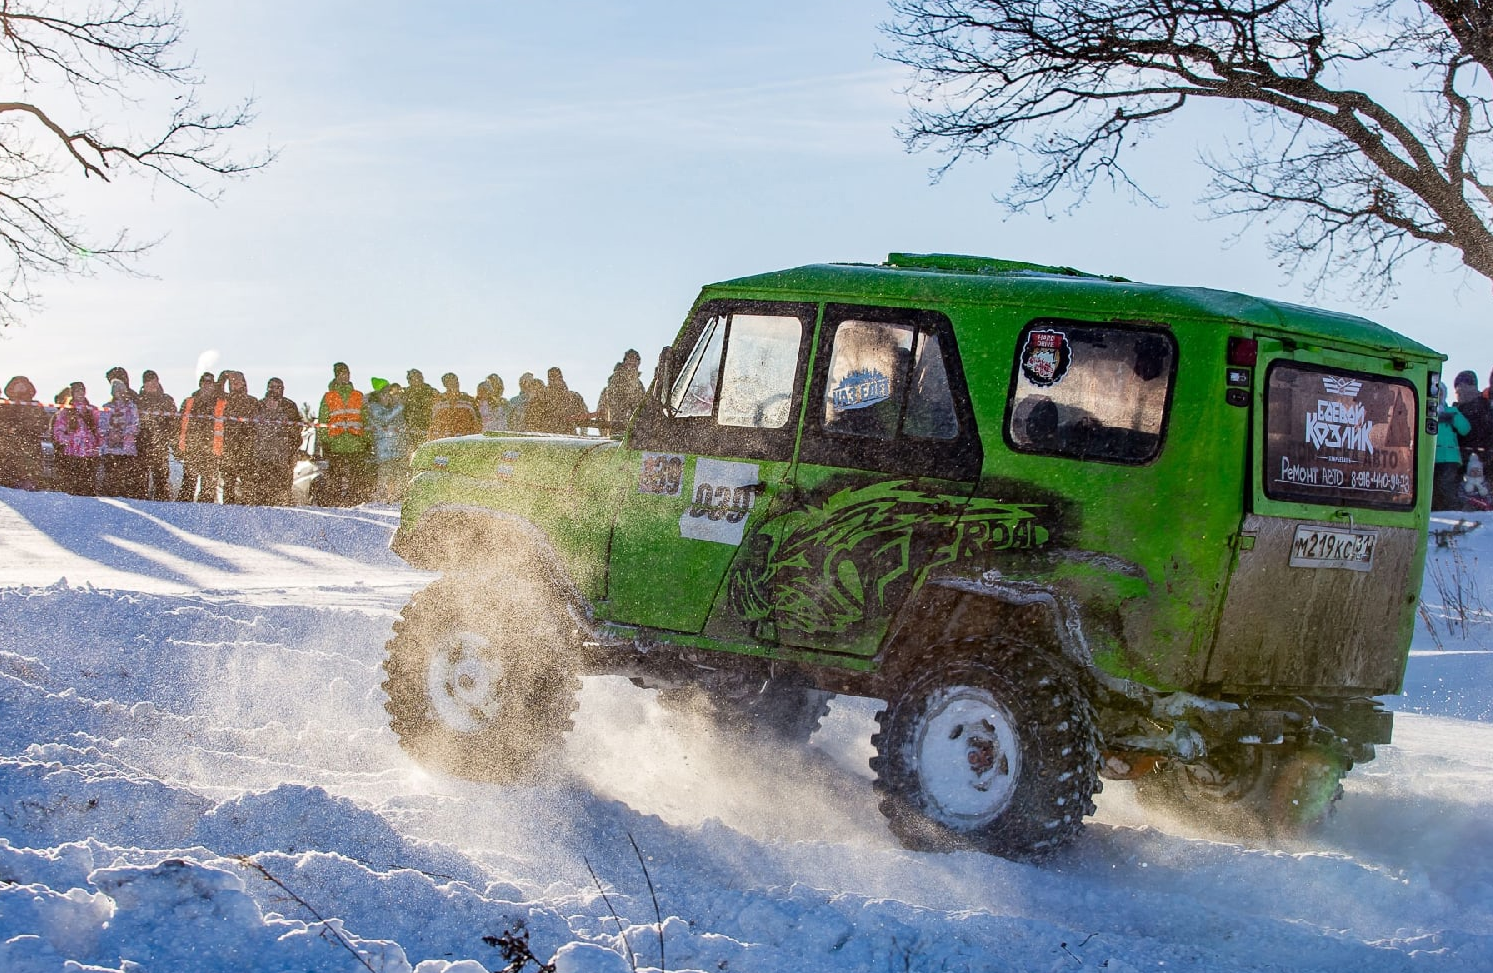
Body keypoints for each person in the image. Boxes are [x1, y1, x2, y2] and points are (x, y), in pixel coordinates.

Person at [316, 361, 371, 506]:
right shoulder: (329, 396)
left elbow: (366, 420)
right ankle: (334, 501)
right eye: (341, 374)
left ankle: (356, 501)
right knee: (335, 476)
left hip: (356, 442)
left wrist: (367, 440)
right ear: (336, 376)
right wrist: (324, 441)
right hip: (336, 443)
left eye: (346, 373)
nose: (344, 376)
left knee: (357, 476)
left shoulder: (358, 395)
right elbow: (323, 421)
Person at [247, 376, 303, 505]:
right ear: (267, 388)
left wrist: (293, 449)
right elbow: (250, 428)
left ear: (282, 389)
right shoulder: (259, 405)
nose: (274, 390)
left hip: (283, 456)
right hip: (262, 456)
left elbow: (297, 428)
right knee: (262, 491)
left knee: (283, 491)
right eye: (272, 387)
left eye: (278, 387)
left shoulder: (289, 405)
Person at [177, 371, 226, 502]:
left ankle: (205, 513)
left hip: (212, 449)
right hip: (192, 447)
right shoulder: (189, 402)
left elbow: (227, 426)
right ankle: (182, 509)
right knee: (188, 481)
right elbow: (178, 423)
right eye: (205, 382)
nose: (207, 385)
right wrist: (178, 446)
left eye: (210, 382)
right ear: (200, 384)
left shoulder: (220, 403)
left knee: (208, 485)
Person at [51, 381, 102, 496]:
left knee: (89, 479)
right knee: (74, 479)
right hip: (73, 450)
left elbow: (99, 428)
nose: (80, 393)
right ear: (72, 393)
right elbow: (58, 430)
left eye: (82, 390)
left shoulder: (91, 409)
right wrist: (69, 440)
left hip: (90, 450)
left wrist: (98, 443)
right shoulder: (66, 410)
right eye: (77, 390)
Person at [0, 376, 50, 490]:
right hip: (8, 443)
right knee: (7, 467)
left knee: (31, 467)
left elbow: (44, 422)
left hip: (30, 442)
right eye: (17, 383)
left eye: (23, 384)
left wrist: (29, 428)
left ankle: (30, 485)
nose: (21, 386)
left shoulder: (35, 405)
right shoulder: (5, 404)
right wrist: (10, 429)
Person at [217, 370, 259, 504]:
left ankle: (249, 506)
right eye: (232, 381)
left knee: (248, 480)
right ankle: (228, 506)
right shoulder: (225, 399)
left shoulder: (252, 401)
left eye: (238, 381)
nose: (235, 383)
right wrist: (225, 375)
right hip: (229, 446)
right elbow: (217, 390)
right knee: (228, 480)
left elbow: (258, 424)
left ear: (243, 383)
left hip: (247, 447)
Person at [102, 366, 145, 497]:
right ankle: (111, 494)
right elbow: (102, 424)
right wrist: (109, 433)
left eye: (121, 390)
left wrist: (124, 434)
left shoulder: (131, 405)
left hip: (127, 446)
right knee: (111, 471)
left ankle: (128, 494)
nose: (119, 393)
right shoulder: (107, 406)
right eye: (116, 390)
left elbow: (135, 422)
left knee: (126, 471)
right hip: (111, 446)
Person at [136, 370, 178, 501]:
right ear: (144, 384)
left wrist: (171, 438)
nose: (152, 384)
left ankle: (162, 502)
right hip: (142, 442)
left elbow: (174, 420)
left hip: (161, 443)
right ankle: (142, 501)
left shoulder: (166, 399)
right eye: (148, 382)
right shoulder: (139, 400)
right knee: (141, 476)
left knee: (161, 476)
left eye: (154, 381)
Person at [365, 378, 408, 502]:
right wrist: (400, 406)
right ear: (379, 395)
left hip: (398, 448)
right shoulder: (375, 408)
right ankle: (382, 499)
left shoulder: (393, 407)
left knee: (400, 475)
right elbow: (385, 419)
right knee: (385, 475)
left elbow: (401, 426)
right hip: (385, 450)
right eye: (385, 394)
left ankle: (398, 498)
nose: (388, 397)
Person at [1435, 379, 1472, 510]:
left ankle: (1452, 510)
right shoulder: (1424, 411)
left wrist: (1452, 417)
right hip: (1429, 458)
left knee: (1446, 486)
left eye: (1440, 393)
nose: (1437, 396)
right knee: (1432, 487)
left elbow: (1465, 428)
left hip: (1449, 458)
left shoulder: (1452, 410)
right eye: (1435, 393)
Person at [592, 349, 645, 437]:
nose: (632, 363)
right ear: (625, 362)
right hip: (617, 426)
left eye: (635, 360)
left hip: (633, 428)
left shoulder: (639, 385)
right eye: (630, 360)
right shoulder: (616, 379)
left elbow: (642, 404)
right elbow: (614, 403)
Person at [1453, 369, 1493, 473]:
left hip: (1486, 459)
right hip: (1462, 463)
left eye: (1464, 386)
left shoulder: (1486, 404)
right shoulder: (1455, 411)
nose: (1460, 393)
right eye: (1457, 391)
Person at [428, 372, 482, 439]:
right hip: (445, 437)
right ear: (445, 385)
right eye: (450, 382)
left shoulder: (468, 400)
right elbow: (433, 422)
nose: (453, 384)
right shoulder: (439, 401)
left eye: (455, 381)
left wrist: (476, 435)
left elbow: (477, 420)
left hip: (465, 436)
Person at [402, 368, 437, 449]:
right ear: (409, 381)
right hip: (411, 429)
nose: (419, 379)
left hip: (428, 428)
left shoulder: (430, 391)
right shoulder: (405, 393)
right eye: (415, 377)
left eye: (420, 376)